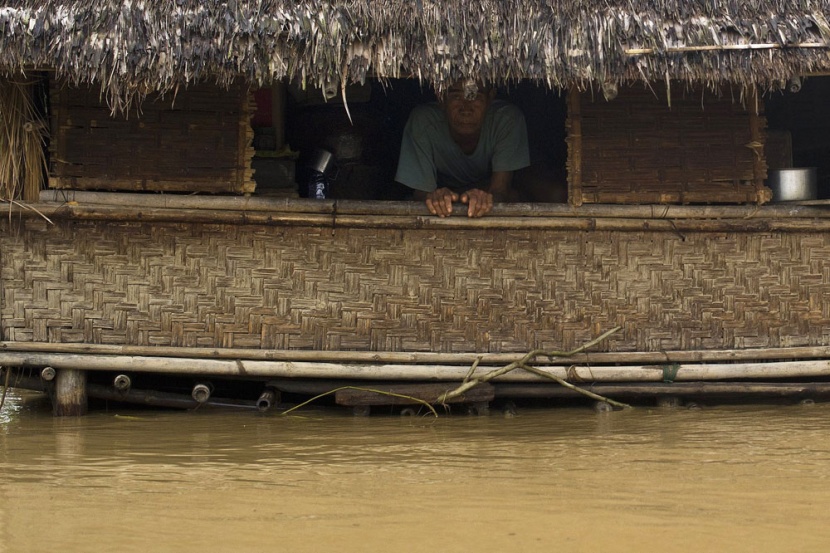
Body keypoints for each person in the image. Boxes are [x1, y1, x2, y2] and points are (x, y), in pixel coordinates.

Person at [394, 79, 530, 217]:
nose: (466, 109)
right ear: (441, 98)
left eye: (475, 96)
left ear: (490, 98)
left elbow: (501, 191)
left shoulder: (506, 120)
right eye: (456, 97)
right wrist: (436, 197)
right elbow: (421, 194)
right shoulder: (423, 122)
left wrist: (483, 197)